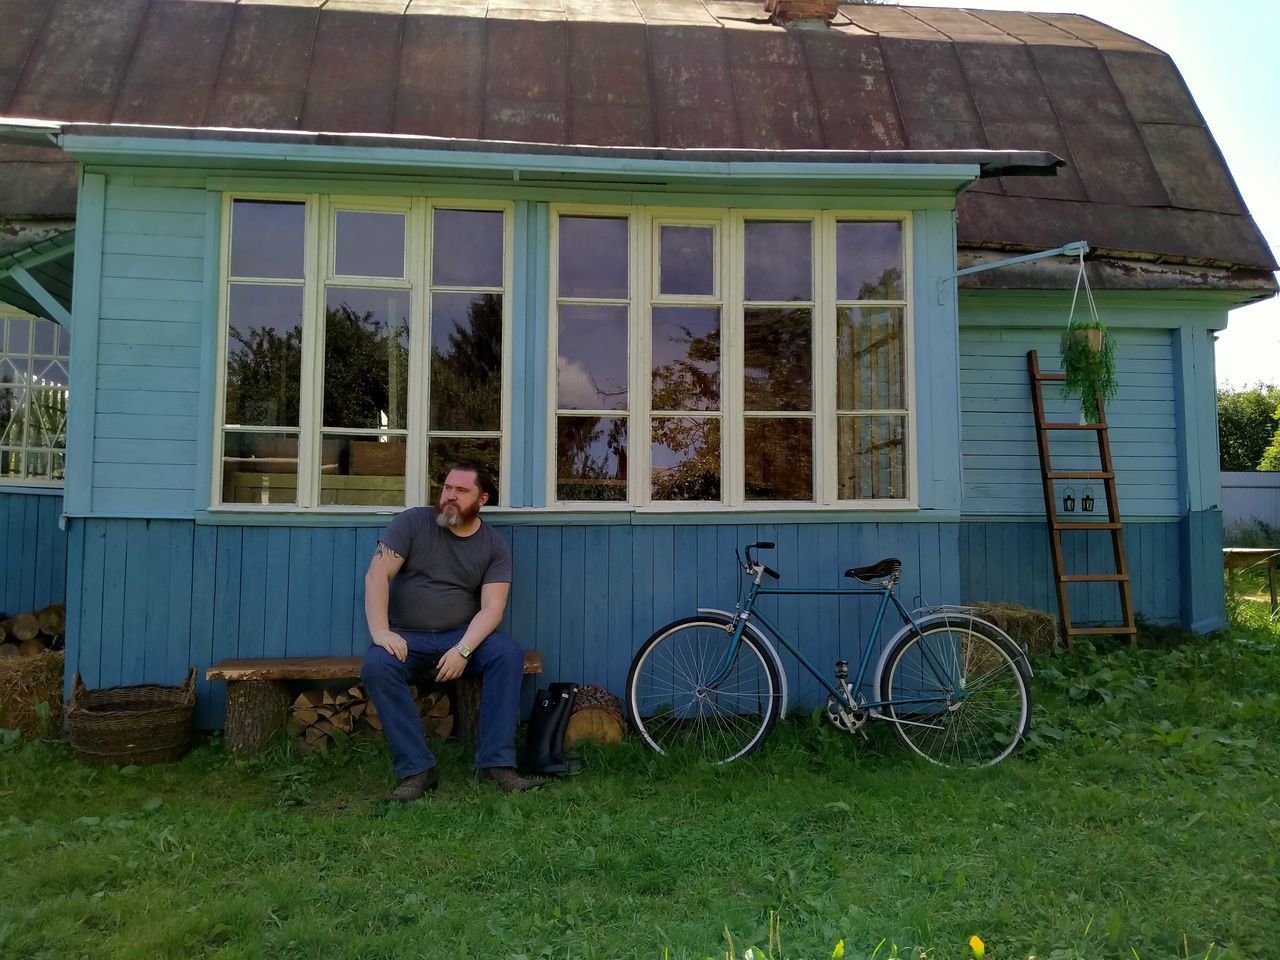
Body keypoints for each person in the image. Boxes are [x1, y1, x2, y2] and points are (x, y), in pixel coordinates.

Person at [360, 463, 540, 799]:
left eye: (461, 491)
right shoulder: (413, 523)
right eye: (447, 488)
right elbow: (377, 576)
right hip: (406, 638)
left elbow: (493, 608)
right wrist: (381, 632)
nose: (450, 497)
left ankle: (495, 764)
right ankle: (417, 769)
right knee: (376, 666)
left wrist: (463, 650)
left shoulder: (494, 546)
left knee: (507, 654)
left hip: (460, 636)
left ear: (482, 498)